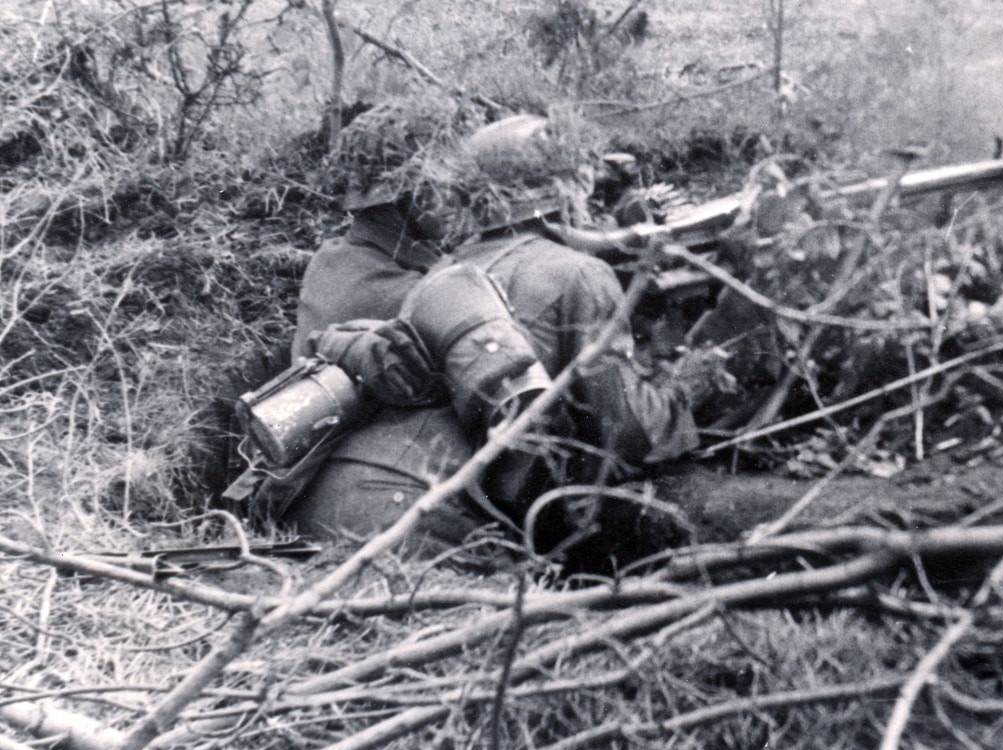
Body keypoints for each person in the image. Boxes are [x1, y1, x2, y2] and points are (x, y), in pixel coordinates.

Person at [245, 108, 711, 561]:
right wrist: (691, 379)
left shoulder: (443, 274)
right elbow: (631, 437)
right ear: (568, 190)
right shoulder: (578, 274)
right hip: (414, 528)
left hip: (327, 509)